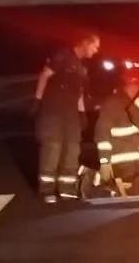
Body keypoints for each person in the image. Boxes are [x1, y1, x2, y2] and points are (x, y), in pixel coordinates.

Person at [31, 31, 100, 203]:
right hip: (53, 111)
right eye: (94, 46)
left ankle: (66, 188)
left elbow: (79, 93)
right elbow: (44, 75)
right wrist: (37, 99)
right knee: (52, 148)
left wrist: (82, 113)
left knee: (72, 150)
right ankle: (46, 190)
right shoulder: (63, 56)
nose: (96, 51)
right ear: (85, 43)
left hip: (71, 115)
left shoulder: (82, 68)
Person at [90, 66, 139, 195]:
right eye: (132, 86)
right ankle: (99, 181)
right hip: (122, 163)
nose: (135, 89)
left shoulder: (137, 104)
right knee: (134, 188)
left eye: (137, 86)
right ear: (125, 86)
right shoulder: (113, 103)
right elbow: (102, 133)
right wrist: (105, 162)